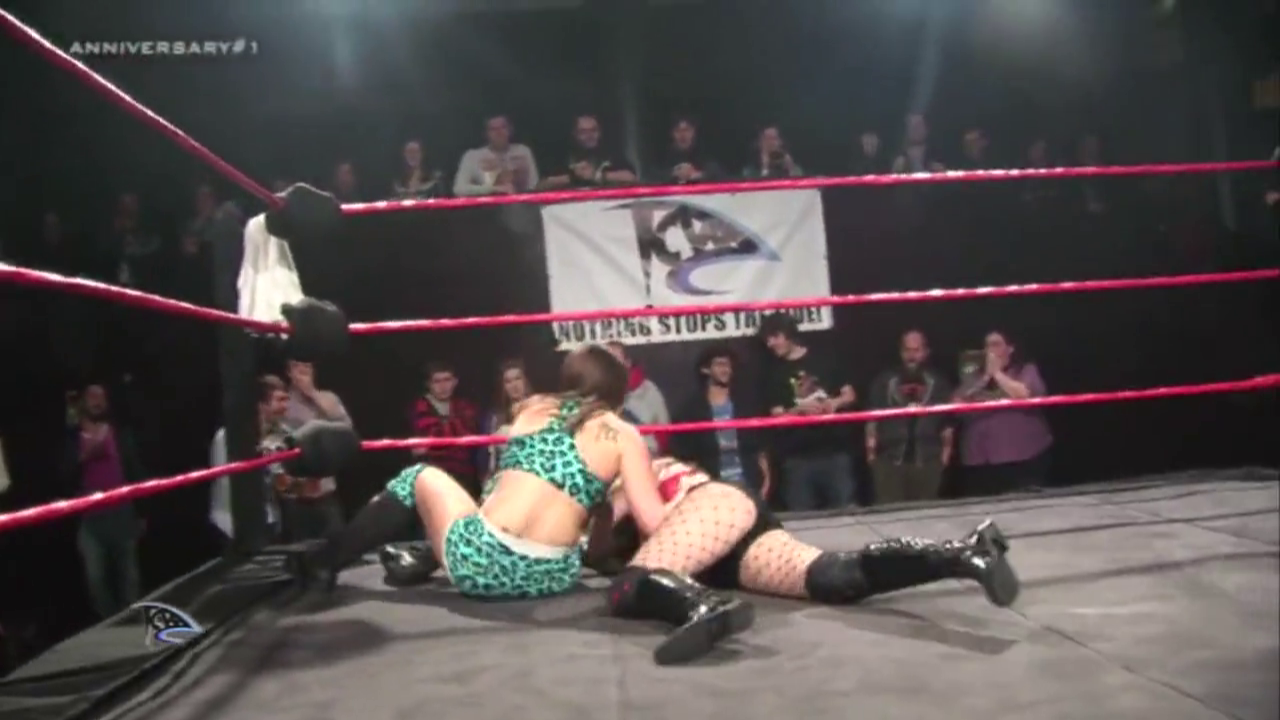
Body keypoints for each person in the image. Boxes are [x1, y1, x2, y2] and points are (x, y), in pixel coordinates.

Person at [310, 345, 749, 664]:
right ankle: (422, 558)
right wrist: (692, 500)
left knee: (418, 477)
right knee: (605, 504)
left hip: (480, 566)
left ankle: (327, 563)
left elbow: (506, 485)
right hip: (551, 576)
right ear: (618, 390)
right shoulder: (624, 435)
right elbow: (653, 522)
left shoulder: (531, 408)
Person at [594, 458, 1018, 612]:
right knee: (831, 578)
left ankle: (702, 609)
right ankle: (963, 553)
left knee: (628, 588)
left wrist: (582, 530)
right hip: (730, 552)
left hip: (715, 511)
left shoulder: (629, 472)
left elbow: (612, 541)